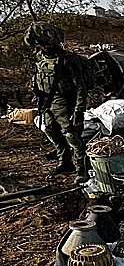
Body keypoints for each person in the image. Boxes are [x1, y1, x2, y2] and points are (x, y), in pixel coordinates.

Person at [25, 21, 89, 183]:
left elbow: (80, 86)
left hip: (64, 101)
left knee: (71, 134)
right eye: (41, 44)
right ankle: (65, 162)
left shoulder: (68, 60)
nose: (45, 47)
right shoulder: (40, 57)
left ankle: (82, 169)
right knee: (50, 129)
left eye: (47, 44)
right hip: (46, 100)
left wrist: (79, 110)